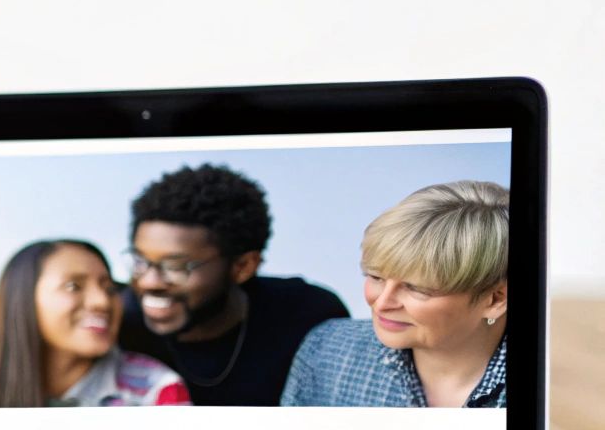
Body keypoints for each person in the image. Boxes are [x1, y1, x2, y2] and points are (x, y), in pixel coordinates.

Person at [118, 164, 349, 406]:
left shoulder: (307, 315)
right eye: (140, 261)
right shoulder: (119, 322)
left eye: (176, 266)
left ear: (243, 266)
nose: (149, 281)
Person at [282, 181, 509, 408]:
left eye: (416, 288)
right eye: (376, 277)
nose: (381, 304)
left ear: (496, 300)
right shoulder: (326, 350)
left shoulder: (544, 384)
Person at [0, 241, 190, 407]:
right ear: (22, 300)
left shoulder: (157, 390)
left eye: (109, 288)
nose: (102, 301)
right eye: (73, 286)